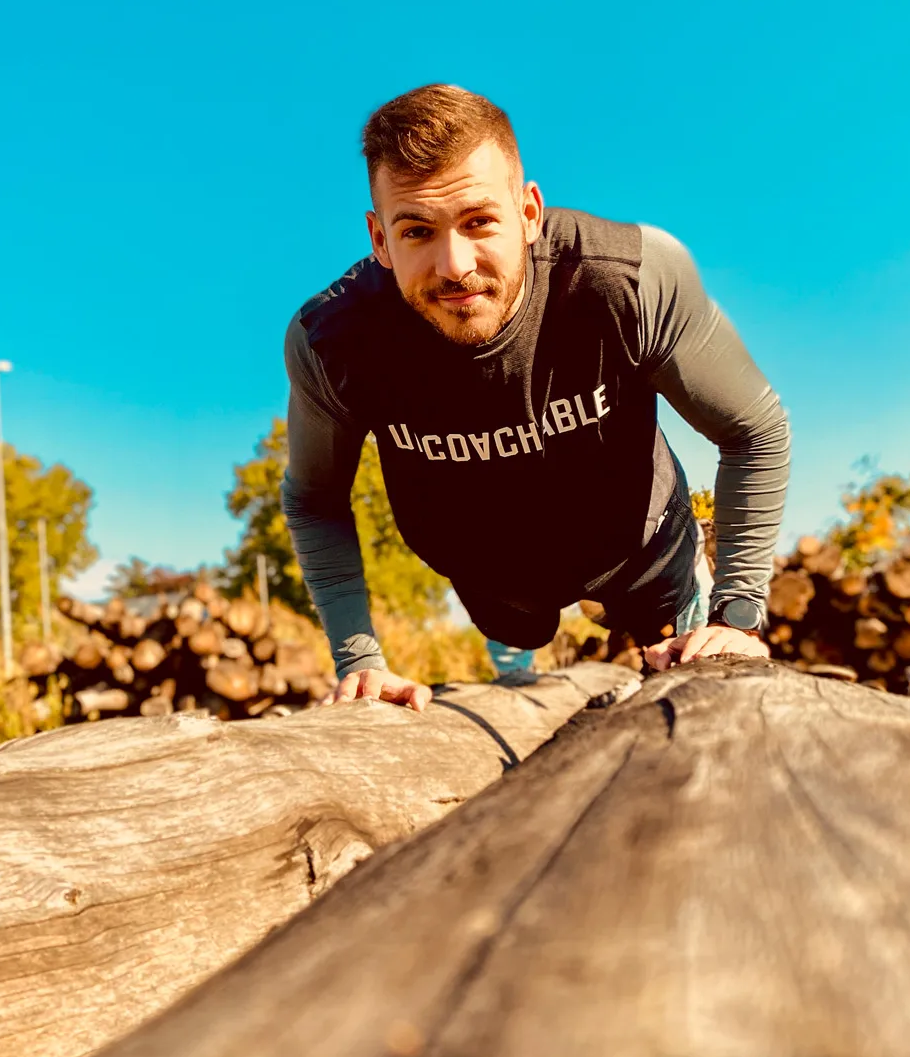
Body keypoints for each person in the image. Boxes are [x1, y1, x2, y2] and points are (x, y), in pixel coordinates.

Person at [281, 84, 791, 712]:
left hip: (645, 546)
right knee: (521, 660)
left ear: (529, 213)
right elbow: (313, 497)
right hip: (494, 579)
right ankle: (519, 658)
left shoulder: (627, 279)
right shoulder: (332, 343)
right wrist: (359, 659)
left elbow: (755, 429)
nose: (455, 266)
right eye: (416, 231)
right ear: (379, 239)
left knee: (701, 701)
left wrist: (737, 618)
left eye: (479, 221)